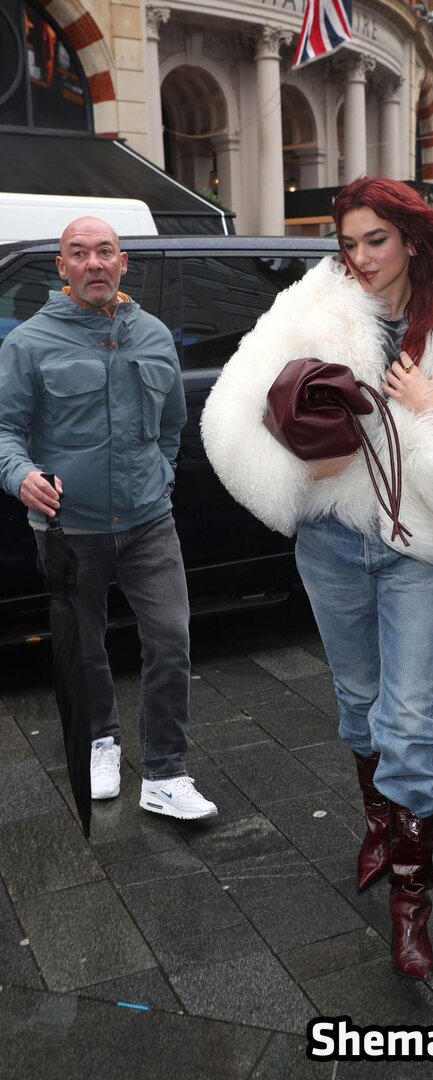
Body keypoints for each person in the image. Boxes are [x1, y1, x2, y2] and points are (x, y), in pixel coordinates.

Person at [201, 178, 433, 980]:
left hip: (419, 547)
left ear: (409, 238)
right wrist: (302, 465)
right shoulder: (310, 307)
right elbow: (229, 414)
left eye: (376, 240)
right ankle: (379, 822)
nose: (361, 257)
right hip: (332, 542)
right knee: (357, 704)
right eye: (348, 243)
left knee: (408, 719)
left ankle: (412, 904)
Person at [0, 217, 217, 821]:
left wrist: (161, 477)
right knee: (82, 645)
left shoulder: (153, 334)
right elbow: (5, 430)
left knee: (170, 639)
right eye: (79, 253)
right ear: (62, 267)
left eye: (104, 252)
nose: (93, 263)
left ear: (123, 263)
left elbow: (172, 423)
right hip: (69, 527)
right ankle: (100, 741)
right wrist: (20, 475)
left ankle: (166, 773)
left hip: (149, 522)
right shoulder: (28, 344)